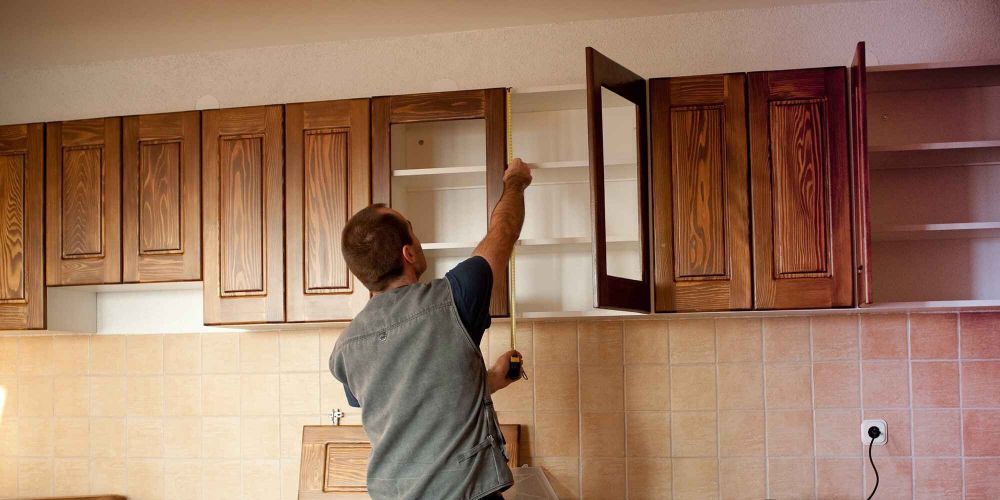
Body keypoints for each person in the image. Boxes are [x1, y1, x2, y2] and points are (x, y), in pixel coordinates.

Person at [329, 158, 533, 499]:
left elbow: (411, 399)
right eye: (412, 228)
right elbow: (504, 231)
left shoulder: (345, 350)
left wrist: (491, 381)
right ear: (408, 253)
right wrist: (516, 182)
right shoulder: (453, 298)